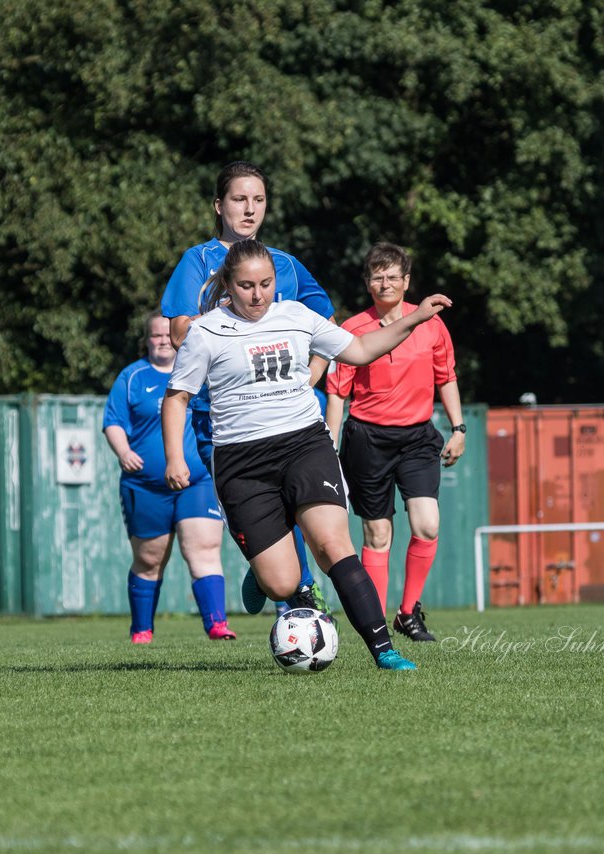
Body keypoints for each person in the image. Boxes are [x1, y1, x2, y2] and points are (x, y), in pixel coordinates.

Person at [163, 239, 452, 671]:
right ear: (228, 283)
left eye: (265, 284)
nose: (257, 294)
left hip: (304, 443)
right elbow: (177, 396)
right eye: (246, 286)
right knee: (281, 583)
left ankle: (384, 650)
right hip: (242, 463)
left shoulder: (296, 316)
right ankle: (265, 567)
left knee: (332, 544)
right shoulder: (206, 331)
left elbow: (359, 350)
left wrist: (416, 318)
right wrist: (175, 458)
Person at [159, 161, 332, 614]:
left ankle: (300, 606)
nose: (249, 209)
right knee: (261, 511)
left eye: (258, 199)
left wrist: (311, 375)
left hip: (288, 415)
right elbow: (178, 332)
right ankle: (279, 582)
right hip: (220, 419)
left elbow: (328, 326)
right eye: (239, 199)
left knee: (301, 506)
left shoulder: (286, 265)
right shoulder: (198, 261)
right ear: (219, 206)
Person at [325, 242, 465, 642]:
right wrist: (329, 448)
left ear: (406, 281)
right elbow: (338, 392)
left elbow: (447, 376)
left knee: (428, 524)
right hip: (367, 439)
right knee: (378, 535)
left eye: (393, 276)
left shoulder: (431, 324)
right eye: (377, 276)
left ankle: (408, 613)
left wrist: (459, 429)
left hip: (418, 437)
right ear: (367, 282)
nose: (384, 283)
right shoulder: (351, 330)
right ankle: (377, 625)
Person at [103, 314, 237, 643]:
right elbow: (113, 421)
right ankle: (142, 630)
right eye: (155, 335)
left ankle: (217, 625)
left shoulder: (201, 371)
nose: (163, 340)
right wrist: (123, 451)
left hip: (198, 480)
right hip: (146, 485)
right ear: (146, 340)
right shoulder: (132, 377)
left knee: (204, 548)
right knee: (149, 559)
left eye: (168, 334)